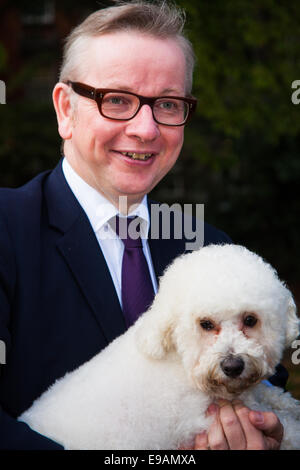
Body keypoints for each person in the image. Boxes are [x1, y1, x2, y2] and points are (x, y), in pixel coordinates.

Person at [0, 1, 285, 450]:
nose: (146, 128)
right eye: (117, 99)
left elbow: (266, 380)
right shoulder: (6, 230)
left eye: (167, 104)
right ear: (64, 110)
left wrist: (268, 435)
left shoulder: (212, 250)